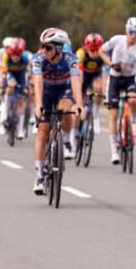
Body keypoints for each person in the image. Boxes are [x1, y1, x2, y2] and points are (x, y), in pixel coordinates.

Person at [31, 28, 83, 193]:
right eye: (42, 46)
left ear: (59, 48)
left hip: (63, 90)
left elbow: (75, 81)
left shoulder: (70, 59)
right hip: (45, 92)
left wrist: (79, 104)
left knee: (65, 108)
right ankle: (39, 176)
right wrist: (38, 104)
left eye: (47, 48)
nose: (43, 50)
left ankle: (66, 140)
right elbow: (37, 82)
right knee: (43, 131)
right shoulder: (38, 59)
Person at [101, 17, 136, 165]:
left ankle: (133, 122)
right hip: (114, 79)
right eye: (131, 32)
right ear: (126, 30)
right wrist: (110, 63)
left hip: (129, 78)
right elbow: (101, 51)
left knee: (134, 99)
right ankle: (114, 151)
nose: (133, 36)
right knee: (113, 114)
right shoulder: (117, 40)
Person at [0, 38, 31, 138]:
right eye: (13, 54)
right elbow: (4, 69)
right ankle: (4, 116)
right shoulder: (6, 55)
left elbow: (27, 72)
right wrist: (5, 81)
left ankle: (20, 129)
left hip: (21, 76)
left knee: (21, 101)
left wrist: (26, 84)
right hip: (10, 74)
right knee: (10, 88)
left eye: (18, 54)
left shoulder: (25, 58)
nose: (15, 57)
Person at [76, 34, 105, 133]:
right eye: (92, 50)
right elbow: (78, 73)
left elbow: (106, 74)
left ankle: (96, 114)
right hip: (83, 74)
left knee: (98, 86)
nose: (95, 53)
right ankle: (78, 125)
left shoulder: (104, 53)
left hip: (96, 74)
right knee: (81, 96)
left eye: (97, 50)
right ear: (87, 47)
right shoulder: (81, 53)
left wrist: (104, 93)